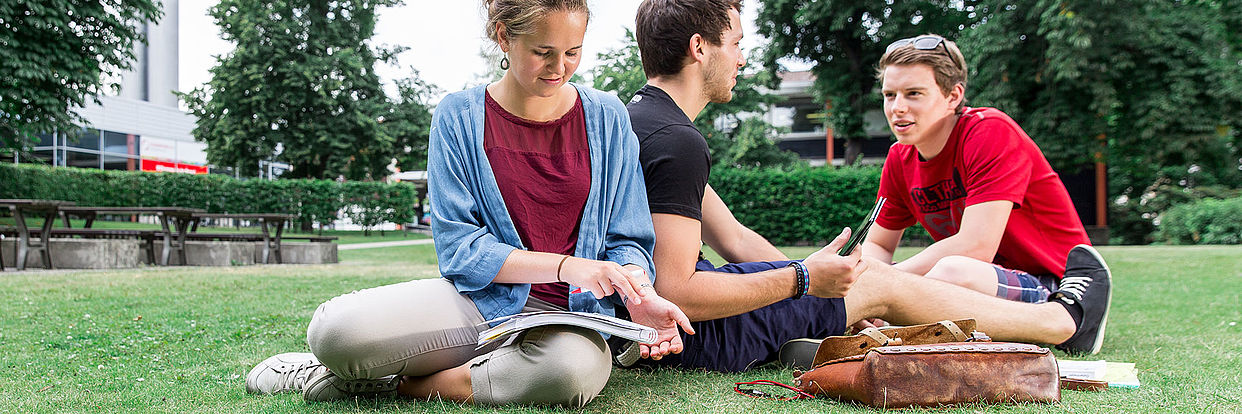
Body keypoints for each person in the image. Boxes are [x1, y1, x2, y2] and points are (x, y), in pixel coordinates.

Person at [243, 0, 693, 407]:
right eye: (543, 52)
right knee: (336, 332)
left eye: (573, 51)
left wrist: (639, 292)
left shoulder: (608, 117)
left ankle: (381, 385)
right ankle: (361, 364)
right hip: (480, 304)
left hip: (571, 322)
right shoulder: (457, 116)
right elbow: (460, 248)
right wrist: (566, 266)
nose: (560, 67)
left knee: (570, 373)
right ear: (503, 35)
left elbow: (628, 238)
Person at [626, 0, 1112, 373]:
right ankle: (1064, 323)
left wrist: (815, 284)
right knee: (884, 279)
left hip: (673, 327)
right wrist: (803, 280)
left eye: (913, 94)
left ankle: (827, 333)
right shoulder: (677, 140)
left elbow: (733, 238)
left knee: (887, 279)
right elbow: (676, 291)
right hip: (692, 332)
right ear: (699, 47)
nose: (742, 57)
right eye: (735, 42)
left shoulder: (638, 123)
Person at [862, 34, 1095, 305]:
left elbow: (976, 247)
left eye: (913, 94)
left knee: (952, 271)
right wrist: (866, 280)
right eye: (890, 95)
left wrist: (883, 284)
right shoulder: (900, 158)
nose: (897, 108)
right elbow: (878, 244)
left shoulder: (989, 131)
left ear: (953, 96)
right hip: (980, 281)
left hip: (1056, 284)